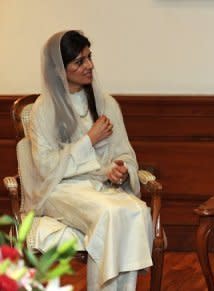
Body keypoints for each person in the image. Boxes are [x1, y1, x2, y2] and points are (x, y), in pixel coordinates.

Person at [20, 30, 154, 290]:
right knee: (109, 213)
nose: (90, 65)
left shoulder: (106, 104)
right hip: (59, 190)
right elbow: (46, 168)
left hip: (100, 187)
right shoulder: (43, 109)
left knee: (136, 211)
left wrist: (121, 171)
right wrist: (89, 140)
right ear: (60, 69)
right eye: (79, 61)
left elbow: (124, 152)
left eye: (89, 57)